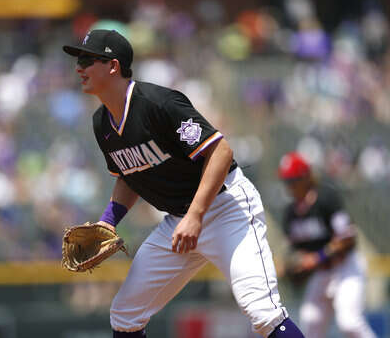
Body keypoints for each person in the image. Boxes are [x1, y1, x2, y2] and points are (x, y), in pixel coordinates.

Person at [62, 29, 304, 338]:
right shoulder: (101, 124)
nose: (78, 67)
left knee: (262, 313)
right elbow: (129, 174)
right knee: (125, 314)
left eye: (87, 59)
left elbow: (220, 151)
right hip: (179, 223)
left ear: (113, 66)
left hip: (226, 209)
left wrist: (196, 215)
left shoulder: (159, 103)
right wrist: (109, 222)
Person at [277, 151, 376, 338]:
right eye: (286, 181)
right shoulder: (290, 213)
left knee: (349, 323)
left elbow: (348, 238)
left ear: (306, 177)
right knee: (310, 321)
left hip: (346, 268)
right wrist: (290, 265)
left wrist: (318, 257)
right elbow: (293, 250)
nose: (289, 186)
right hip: (321, 273)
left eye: (293, 180)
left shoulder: (326, 199)